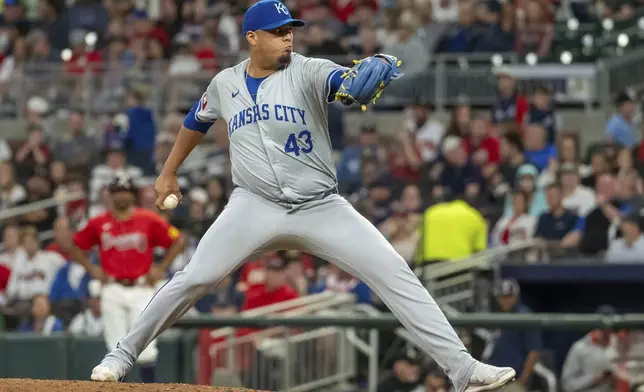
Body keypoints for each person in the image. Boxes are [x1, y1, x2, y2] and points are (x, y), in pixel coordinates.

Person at [89, 0, 516, 389]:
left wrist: (365, 70)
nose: (288, 36)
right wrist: (168, 172)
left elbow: (342, 81)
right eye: (278, 31)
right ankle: (121, 355)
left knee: (394, 272)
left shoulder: (308, 69)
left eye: (290, 28)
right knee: (195, 277)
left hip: (320, 206)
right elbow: (196, 122)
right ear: (252, 38)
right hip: (253, 204)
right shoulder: (225, 83)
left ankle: (462, 369)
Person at [69, 175, 186, 383]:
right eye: (118, 191)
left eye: (126, 191)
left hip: (141, 286)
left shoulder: (148, 218)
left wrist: (160, 268)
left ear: (133, 195)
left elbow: (177, 240)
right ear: (111, 195)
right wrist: (92, 268)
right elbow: (76, 244)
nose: (122, 195)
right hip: (112, 286)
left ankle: (149, 386)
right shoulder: (99, 222)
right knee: (115, 346)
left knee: (147, 346)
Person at [484, 279, 542, 387]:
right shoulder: (496, 316)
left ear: (516, 296)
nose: (505, 300)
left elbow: (534, 352)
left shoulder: (526, 317)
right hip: (492, 379)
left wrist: (521, 382)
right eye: (502, 297)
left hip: (513, 380)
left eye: (509, 296)